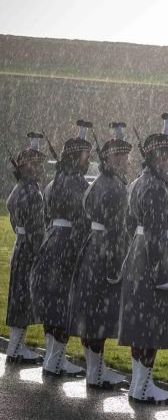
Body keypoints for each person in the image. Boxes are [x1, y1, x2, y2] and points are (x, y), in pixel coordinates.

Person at [118, 113, 168, 405]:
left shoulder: (138, 183)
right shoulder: (155, 187)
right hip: (152, 258)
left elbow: (131, 224)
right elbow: (156, 231)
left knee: (140, 322)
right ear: (158, 157)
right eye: (167, 155)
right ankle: (143, 386)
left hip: (137, 254)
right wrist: (160, 272)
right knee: (151, 323)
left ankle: (140, 383)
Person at [67, 123, 132, 389]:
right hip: (105, 252)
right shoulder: (114, 187)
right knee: (99, 315)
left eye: (125, 157)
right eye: (120, 157)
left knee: (92, 313)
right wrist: (119, 257)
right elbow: (119, 226)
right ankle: (95, 373)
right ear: (110, 159)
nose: (126, 162)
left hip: (94, 248)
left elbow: (85, 213)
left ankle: (95, 369)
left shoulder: (100, 183)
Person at [30, 120, 93, 377]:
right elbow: (83, 220)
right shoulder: (78, 185)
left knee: (52, 300)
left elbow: (46, 216)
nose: (88, 160)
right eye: (85, 156)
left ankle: (52, 357)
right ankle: (56, 360)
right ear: (77, 157)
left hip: (51, 239)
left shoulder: (53, 183)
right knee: (63, 302)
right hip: (67, 244)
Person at [5, 132, 47, 365]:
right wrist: (38, 248)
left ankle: (15, 346)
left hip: (20, 245)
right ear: (24, 167)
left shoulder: (19, 189)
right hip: (29, 247)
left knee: (18, 297)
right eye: (34, 163)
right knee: (23, 298)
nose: (39, 167)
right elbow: (36, 227)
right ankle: (16, 348)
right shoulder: (32, 191)